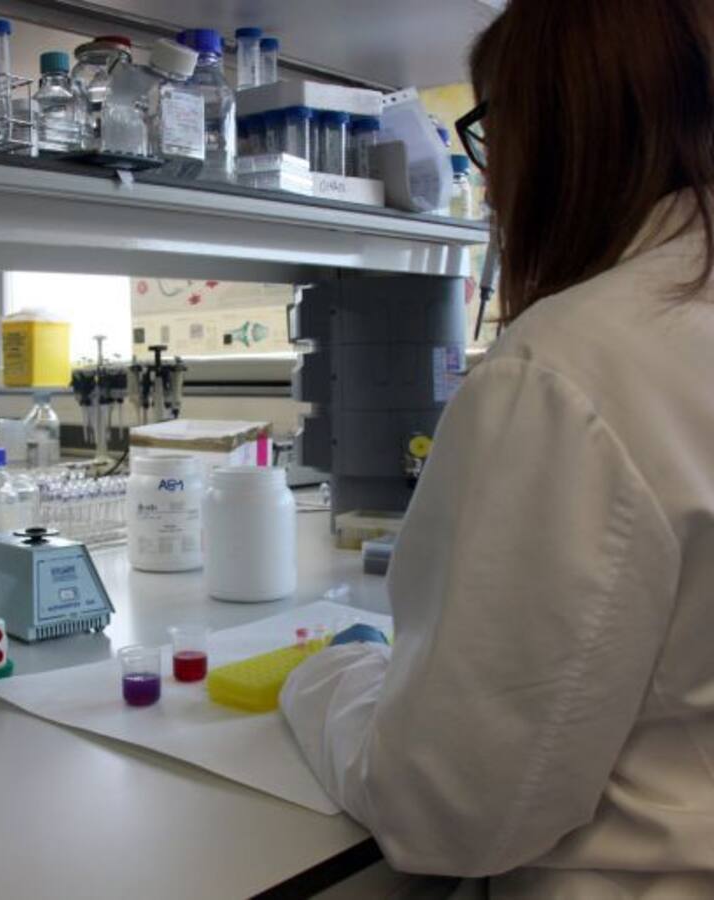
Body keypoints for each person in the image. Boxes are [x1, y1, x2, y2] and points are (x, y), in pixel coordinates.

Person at [280, 2, 714, 896]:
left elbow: (448, 804)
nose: (489, 187)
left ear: (549, 129)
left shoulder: (570, 366)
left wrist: (328, 679)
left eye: (486, 134)